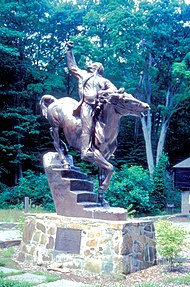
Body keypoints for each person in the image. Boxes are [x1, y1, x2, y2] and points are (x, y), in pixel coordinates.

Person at [66, 41, 118, 160]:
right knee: (87, 126)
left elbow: (113, 90)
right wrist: (69, 51)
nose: (98, 67)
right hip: (87, 105)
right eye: (97, 66)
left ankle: (111, 147)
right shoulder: (84, 75)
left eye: (99, 67)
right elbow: (72, 67)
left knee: (111, 126)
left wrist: (112, 92)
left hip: (101, 108)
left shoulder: (105, 81)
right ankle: (85, 150)